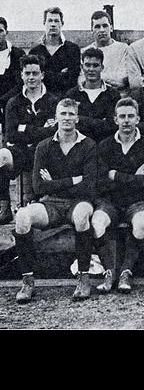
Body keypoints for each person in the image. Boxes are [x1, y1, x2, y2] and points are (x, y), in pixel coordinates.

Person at [13, 99, 97, 303]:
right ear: (56, 117)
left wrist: (54, 182)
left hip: (79, 201)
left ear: (77, 118)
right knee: (23, 217)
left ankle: (83, 277)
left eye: (71, 114)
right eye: (63, 113)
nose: (67, 118)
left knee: (81, 216)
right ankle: (27, 281)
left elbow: (89, 186)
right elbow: (38, 187)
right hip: (51, 203)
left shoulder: (88, 145)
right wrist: (72, 180)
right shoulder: (43, 146)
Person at [91, 97, 144, 294]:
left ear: (138, 119)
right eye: (122, 117)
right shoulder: (104, 146)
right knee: (97, 222)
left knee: (141, 221)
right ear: (115, 119)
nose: (126, 121)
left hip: (138, 201)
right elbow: (100, 183)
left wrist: (116, 175)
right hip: (109, 201)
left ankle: (126, 271)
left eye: (130, 116)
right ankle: (109, 271)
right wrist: (133, 176)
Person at [4, 55, 58, 207]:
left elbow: (54, 131)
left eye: (35, 73)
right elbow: (11, 135)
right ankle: (4, 204)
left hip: (45, 150)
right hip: (20, 151)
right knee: (2, 156)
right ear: (21, 75)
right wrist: (41, 129)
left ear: (42, 75)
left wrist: (25, 128)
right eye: (27, 73)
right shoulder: (14, 102)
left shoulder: (53, 101)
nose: (31, 77)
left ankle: (37, 200)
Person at [65, 47, 120, 142]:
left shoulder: (113, 95)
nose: (91, 69)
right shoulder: (72, 94)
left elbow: (112, 126)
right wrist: (100, 122)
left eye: (95, 65)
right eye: (87, 65)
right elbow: (69, 123)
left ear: (102, 68)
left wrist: (81, 119)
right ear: (82, 68)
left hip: (104, 145)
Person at [28, 7, 81, 96]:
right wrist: (61, 74)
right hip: (42, 101)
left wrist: (45, 74)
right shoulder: (34, 52)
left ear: (62, 24)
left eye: (56, 21)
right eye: (50, 21)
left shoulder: (73, 49)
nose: (53, 24)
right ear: (44, 23)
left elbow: (72, 80)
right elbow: (33, 81)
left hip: (66, 100)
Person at [82, 10, 129, 95]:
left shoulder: (123, 49)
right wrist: (110, 78)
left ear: (111, 28)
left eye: (105, 26)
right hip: (93, 96)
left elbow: (122, 79)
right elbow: (82, 80)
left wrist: (96, 79)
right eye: (97, 27)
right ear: (91, 30)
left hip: (120, 98)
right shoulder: (84, 52)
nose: (102, 30)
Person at [0, 16, 26, 128]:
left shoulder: (18, 54)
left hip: (12, 104)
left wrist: (3, 100)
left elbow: (20, 83)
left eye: (0, 31)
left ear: (6, 32)